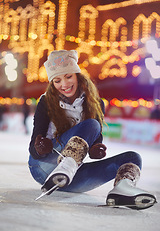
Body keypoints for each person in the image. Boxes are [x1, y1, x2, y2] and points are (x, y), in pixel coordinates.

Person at [28, 50, 156, 209]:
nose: (64, 85)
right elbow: (33, 147)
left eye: (68, 77)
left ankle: (122, 190)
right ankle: (66, 167)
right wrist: (40, 148)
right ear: (52, 83)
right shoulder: (46, 101)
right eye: (57, 80)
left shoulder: (95, 104)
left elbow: (95, 141)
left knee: (133, 157)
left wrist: (96, 150)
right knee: (92, 125)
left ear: (77, 75)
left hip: (72, 177)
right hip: (43, 167)